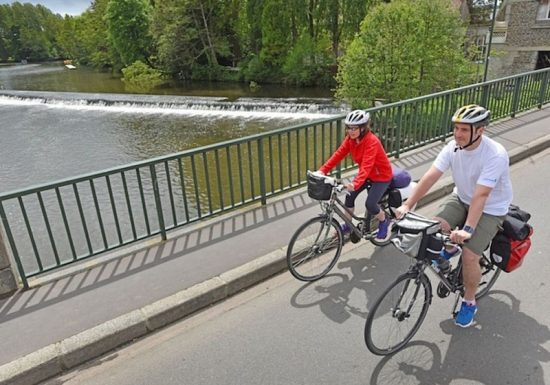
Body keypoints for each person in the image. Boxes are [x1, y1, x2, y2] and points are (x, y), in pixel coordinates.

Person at [395, 104, 513, 328]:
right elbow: (431, 176)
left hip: (491, 207)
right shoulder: (453, 147)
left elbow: (482, 195)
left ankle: (469, 302)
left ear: (480, 131)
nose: (458, 134)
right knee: (432, 227)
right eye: (456, 128)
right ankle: (448, 251)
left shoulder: (495, 154)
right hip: (462, 197)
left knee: (469, 255)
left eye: (464, 130)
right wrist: (408, 205)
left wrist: (467, 229)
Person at [318, 109, 393, 241]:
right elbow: (338, 154)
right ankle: (348, 224)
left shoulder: (372, 142)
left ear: (363, 128)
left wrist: (355, 183)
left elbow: (367, 165)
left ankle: (383, 220)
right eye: (348, 128)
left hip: (381, 177)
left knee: (370, 204)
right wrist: (322, 171)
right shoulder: (351, 140)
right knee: (349, 197)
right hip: (367, 175)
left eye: (354, 128)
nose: (350, 131)